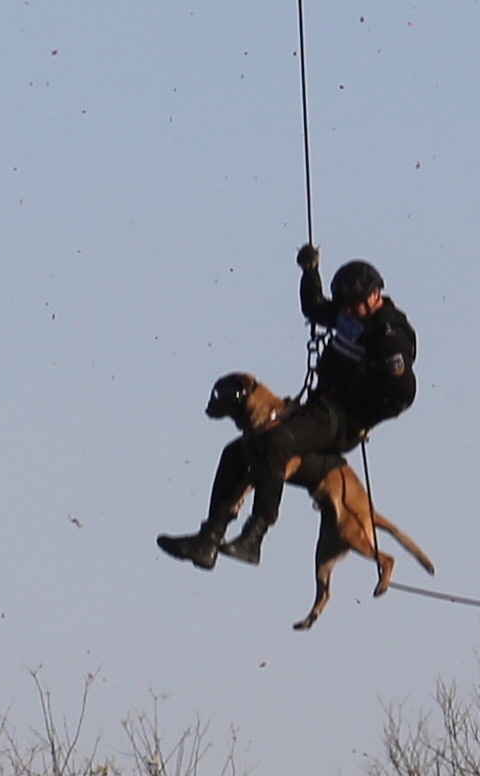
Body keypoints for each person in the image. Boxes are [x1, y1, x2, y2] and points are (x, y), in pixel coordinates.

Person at [159, 244, 416, 570]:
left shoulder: (390, 335)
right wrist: (310, 271)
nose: (347, 313)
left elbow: (403, 393)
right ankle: (208, 540)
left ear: (375, 295)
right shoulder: (351, 314)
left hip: (341, 419)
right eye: (346, 308)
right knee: (237, 451)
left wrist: (362, 412)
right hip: (320, 407)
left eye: (353, 307)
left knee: (276, 443)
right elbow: (315, 308)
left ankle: (255, 536)